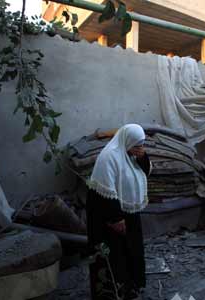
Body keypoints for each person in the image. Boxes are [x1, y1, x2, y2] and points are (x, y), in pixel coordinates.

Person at [86, 124, 151, 300]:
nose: (140, 149)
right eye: (137, 145)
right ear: (127, 140)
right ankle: (111, 294)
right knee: (113, 256)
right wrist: (115, 219)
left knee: (132, 251)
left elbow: (144, 172)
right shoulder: (109, 158)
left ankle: (131, 287)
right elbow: (104, 191)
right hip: (108, 217)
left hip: (129, 212)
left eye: (142, 145)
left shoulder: (130, 154)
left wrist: (143, 156)